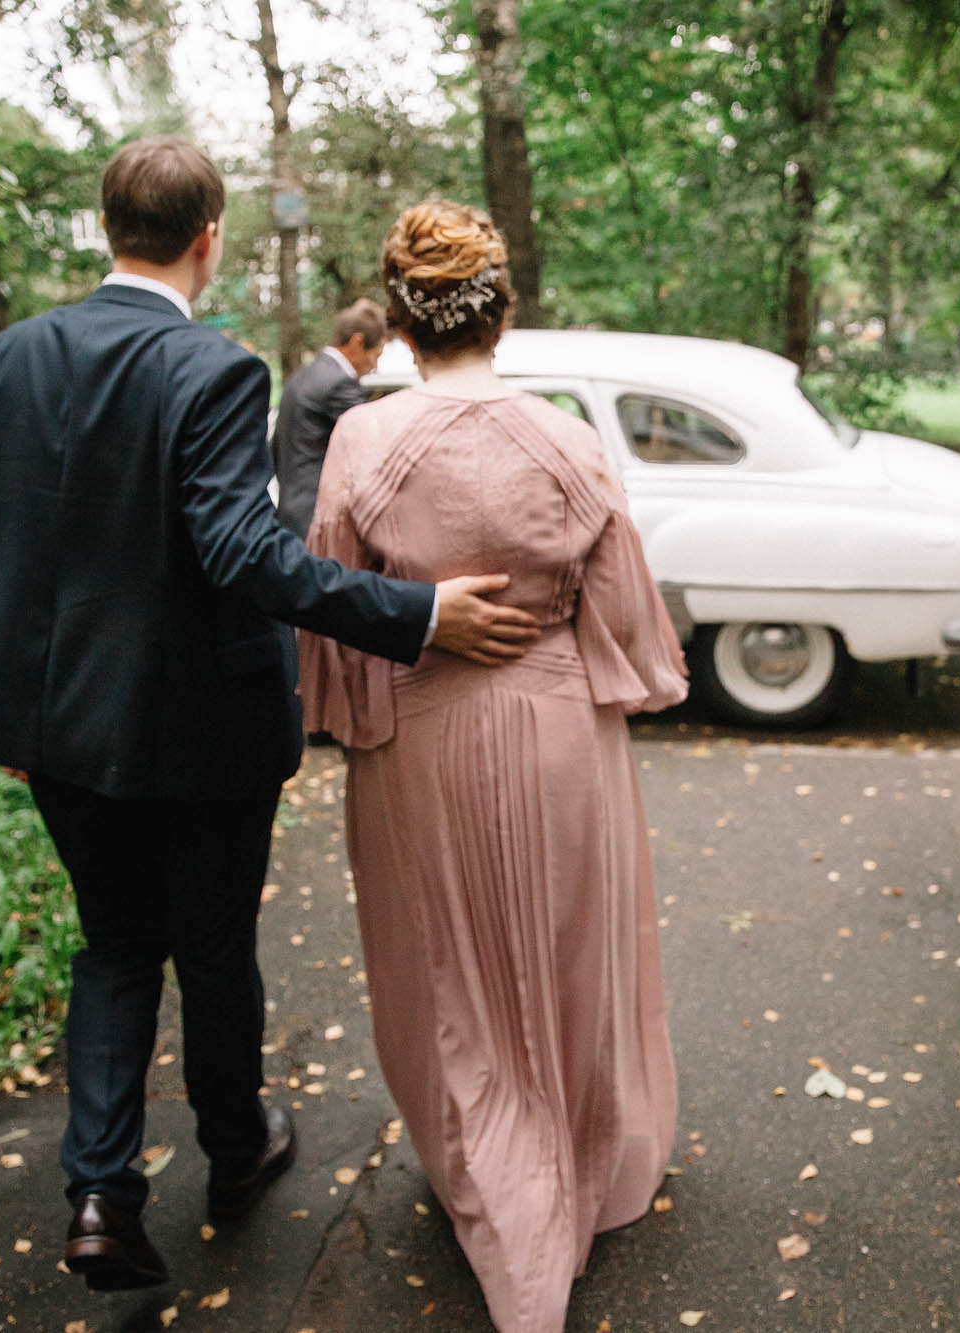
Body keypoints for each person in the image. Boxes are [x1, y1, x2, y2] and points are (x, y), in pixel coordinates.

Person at [0, 139, 541, 1293]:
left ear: (105, 224)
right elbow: (242, 554)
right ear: (208, 235)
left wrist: (6, 720)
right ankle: (234, 1148)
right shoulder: (211, 370)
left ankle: (99, 1192)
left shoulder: (5, 360)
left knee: (116, 944)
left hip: (58, 726)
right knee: (214, 949)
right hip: (200, 734)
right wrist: (415, 613)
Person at [299, 201, 686, 1333]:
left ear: (404, 325)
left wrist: (367, 699)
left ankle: (492, 1179)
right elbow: (620, 612)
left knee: (446, 970)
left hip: (424, 738)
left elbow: (334, 604)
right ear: (501, 311)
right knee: (567, 955)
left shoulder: (365, 438)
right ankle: (571, 1161)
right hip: (560, 730)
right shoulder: (563, 437)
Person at [271, 298, 387, 538]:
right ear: (357, 342)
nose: (374, 366)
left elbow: (276, 448)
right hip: (320, 521)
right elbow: (374, 448)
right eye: (376, 354)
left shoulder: (299, 377)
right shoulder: (339, 385)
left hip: (288, 515)